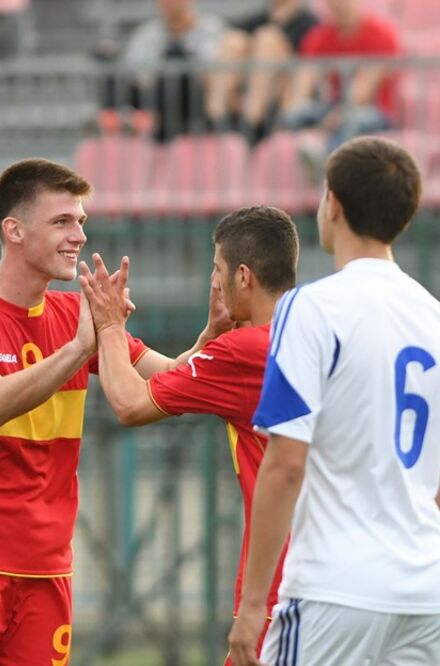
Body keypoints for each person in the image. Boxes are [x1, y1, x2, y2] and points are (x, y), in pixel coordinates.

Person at [0, 158, 226, 664]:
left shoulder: (72, 315)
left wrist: (210, 339)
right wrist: (80, 349)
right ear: (14, 230)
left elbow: (165, 376)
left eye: (80, 221)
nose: (78, 235)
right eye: (61, 222)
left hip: (47, 565)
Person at [227, 137, 440, 665]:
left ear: (334, 205)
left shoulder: (311, 308)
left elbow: (285, 464)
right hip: (425, 591)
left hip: (335, 588)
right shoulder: (433, 316)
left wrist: (253, 607)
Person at [78, 205, 300, 665]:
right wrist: (208, 341)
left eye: (217, 269)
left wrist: (110, 326)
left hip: (284, 583)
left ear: (243, 276)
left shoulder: (245, 350)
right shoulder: (313, 332)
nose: (213, 282)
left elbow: (130, 403)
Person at [280, 0, 400, 156]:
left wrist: (335, 118)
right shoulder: (321, 36)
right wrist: (296, 107)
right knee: (295, 116)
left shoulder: (381, 34)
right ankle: (309, 151)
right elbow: (306, 77)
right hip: (335, 107)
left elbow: (362, 91)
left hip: (375, 111)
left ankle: (330, 160)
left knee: (351, 121)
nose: (339, 6)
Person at [99, 0, 225, 141]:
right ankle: (118, 121)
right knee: (106, 58)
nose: (168, 3)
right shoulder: (148, 33)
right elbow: (135, 72)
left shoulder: (212, 28)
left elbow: (211, 72)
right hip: (154, 96)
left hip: (195, 100)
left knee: (177, 60)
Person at [205, 0, 319, 143]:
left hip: (285, 96)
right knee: (234, 40)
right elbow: (231, 32)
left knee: (267, 39)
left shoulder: (308, 22)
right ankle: (217, 117)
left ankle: (251, 124)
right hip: (247, 93)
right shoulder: (260, 18)